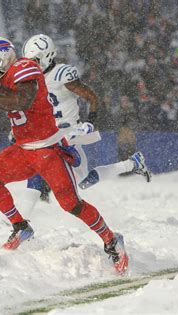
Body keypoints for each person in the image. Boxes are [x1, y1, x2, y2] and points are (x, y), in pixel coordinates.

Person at [0, 36, 128, 274]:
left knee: (70, 203)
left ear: (5, 58)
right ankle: (20, 226)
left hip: (48, 148)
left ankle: (111, 240)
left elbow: (23, 102)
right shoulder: (4, 75)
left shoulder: (24, 68)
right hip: (24, 148)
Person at [19, 34, 151, 215]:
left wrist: (89, 123)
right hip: (50, 134)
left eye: (34, 60)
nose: (31, 65)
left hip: (69, 132)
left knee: (60, 174)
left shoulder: (61, 74)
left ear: (47, 55)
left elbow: (92, 98)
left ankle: (22, 218)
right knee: (66, 177)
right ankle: (131, 164)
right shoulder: (31, 80)